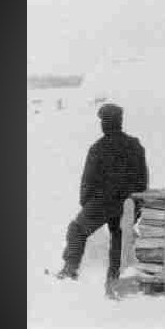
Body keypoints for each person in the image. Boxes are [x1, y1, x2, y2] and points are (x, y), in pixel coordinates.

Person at [58, 104, 148, 292]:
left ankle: (70, 268)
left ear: (104, 123)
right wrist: (136, 204)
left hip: (101, 202)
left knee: (77, 229)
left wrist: (86, 204)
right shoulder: (134, 145)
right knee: (118, 238)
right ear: (120, 122)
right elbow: (142, 178)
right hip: (127, 203)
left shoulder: (98, 148)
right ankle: (113, 279)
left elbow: (88, 180)